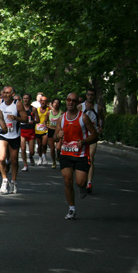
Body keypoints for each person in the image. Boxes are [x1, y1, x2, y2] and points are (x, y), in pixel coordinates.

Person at [54, 92, 98, 220]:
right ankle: (71, 208)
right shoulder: (61, 119)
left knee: (80, 182)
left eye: (73, 100)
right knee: (67, 181)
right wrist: (58, 136)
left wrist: (84, 142)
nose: (70, 102)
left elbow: (95, 135)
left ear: (77, 103)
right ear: (66, 102)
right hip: (66, 153)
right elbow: (55, 137)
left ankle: (83, 187)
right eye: (68, 100)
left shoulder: (83, 118)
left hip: (81, 154)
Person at [0, 86, 28, 194]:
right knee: (1, 157)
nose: (5, 94)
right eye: (4, 92)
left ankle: (13, 181)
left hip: (14, 135)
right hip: (2, 134)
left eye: (8, 93)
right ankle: (4, 180)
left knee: (13, 160)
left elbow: (25, 119)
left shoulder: (17, 104)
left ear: (13, 94)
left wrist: (16, 118)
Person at [78, 88, 104, 193]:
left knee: (91, 158)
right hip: (82, 135)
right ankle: (82, 179)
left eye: (92, 95)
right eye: (89, 95)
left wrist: (101, 126)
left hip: (93, 135)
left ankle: (89, 183)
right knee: (81, 159)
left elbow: (101, 118)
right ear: (86, 96)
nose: (90, 97)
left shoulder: (99, 108)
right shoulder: (80, 107)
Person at [19, 93, 37, 172]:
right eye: (24, 98)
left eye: (27, 98)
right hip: (22, 130)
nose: (25, 100)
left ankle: (30, 156)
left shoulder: (33, 109)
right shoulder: (20, 108)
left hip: (31, 131)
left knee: (32, 151)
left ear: (30, 100)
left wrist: (33, 122)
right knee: (23, 148)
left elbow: (38, 120)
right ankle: (25, 165)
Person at [47, 98, 63, 168]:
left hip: (58, 131)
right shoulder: (49, 112)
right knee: (52, 148)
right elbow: (45, 121)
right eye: (54, 103)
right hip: (51, 130)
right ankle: (53, 162)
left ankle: (58, 155)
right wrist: (46, 126)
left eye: (57, 103)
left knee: (58, 148)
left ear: (59, 104)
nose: (56, 104)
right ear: (52, 104)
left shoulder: (62, 113)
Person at [35, 95, 50, 165]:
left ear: (46, 102)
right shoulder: (37, 109)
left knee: (44, 144)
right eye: (42, 101)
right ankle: (40, 157)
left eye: (44, 101)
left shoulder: (49, 109)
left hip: (45, 129)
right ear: (40, 102)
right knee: (39, 145)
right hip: (37, 129)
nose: (43, 102)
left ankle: (44, 156)